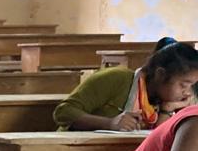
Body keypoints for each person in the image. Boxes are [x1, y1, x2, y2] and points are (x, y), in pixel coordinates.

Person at [53, 38, 198, 131]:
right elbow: (63, 112)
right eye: (183, 85)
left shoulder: (170, 101)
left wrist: (167, 110)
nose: (188, 92)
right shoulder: (116, 78)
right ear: (160, 74)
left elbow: (159, 141)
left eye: (192, 85)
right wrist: (109, 123)